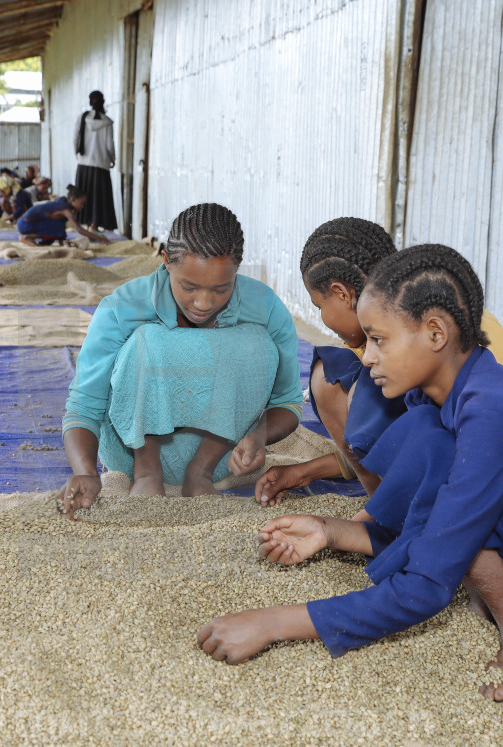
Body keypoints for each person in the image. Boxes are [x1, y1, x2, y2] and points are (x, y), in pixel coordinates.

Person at [198, 244, 503, 703]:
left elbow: (426, 585)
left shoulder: (495, 414)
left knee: (461, 487)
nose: (366, 357)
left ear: (435, 333)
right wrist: (331, 531)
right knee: (432, 443)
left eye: (379, 340)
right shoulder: (463, 399)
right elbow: (442, 524)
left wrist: (273, 623)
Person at [255, 217, 503, 505]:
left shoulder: (456, 341)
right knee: (338, 378)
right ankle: (386, 510)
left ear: (342, 294)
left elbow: (489, 444)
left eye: (319, 306)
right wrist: (307, 471)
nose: (369, 357)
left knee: (347, 387)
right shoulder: (400, 334)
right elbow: (384, 441)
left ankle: (391, 513)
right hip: (479, 460)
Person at [58, 203, 304, 517]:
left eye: (221, 288)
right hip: (129, 453)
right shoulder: (123, 306)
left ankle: (198, 474)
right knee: (148, 340)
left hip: (223, 457)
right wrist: (87, 473)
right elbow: (83, 403)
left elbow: (289, 401)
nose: (203, 303)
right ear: (166, 262)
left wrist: (257, 437)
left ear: (237, 271)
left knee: (258, 344)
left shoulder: (266, 307)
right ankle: (149, 474)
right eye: (188, 286)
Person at [73, 90, 117, 232]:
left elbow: (75, 139)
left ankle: (85, 224)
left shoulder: (82, 118)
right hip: (101, 164)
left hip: (83, 164)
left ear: (90, 102)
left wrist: (77, 155)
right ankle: (95, 225)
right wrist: (112, 159)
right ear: (103, 102)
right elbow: (110, 144)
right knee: (99, 196)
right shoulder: (107, 122)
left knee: (84, 194)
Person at [16, 184, 110, 247]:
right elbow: (79, 229)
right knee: (59, 227)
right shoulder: (66, 209)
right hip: (25, 224)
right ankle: (27, 237)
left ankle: (34, 239)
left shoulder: (63, 201)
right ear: (73, 199)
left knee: (60, 225)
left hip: (24, 222)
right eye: (82, 203)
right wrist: (100, 239)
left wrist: (62, 242)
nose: (83, 206)